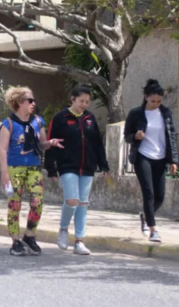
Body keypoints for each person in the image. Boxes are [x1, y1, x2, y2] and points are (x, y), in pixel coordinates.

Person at [0, 87, 64, 256]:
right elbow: (3, 150)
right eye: (30, 100)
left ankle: (29, 235)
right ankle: (15, 241)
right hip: (15, 169)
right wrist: (4, 173)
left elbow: (41, 144)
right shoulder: (8, 123)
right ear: (20, 102)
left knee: (37, 203)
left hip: (34, 168)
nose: (33, 103)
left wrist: (50, 142)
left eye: (33, 100)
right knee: (15, 205)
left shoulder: (38, 121)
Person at [45, 86, 109, 256]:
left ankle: (79, 241)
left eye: (87, 102)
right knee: (72, 199)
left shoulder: (90, 118)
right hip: (67, 165)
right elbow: (51, 143)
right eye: (81, 101)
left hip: (88, 166)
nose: (84, 104)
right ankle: (64, 228)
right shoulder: (60, 118)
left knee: (83, 203)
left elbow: (97, 143)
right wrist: (51, 168)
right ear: (72, 99)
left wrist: (104, 165)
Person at [124, 79, 179, 243]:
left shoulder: (166, 113)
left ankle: (146, 215)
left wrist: (173, 160)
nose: (156, 104)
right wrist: (135, 136)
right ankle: (153, 230)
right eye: (153, 100)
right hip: (143, 157)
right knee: (149, 193)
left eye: (159, 101)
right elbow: (126, 136)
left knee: (160, 196)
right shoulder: (136, 114)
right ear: (145, 97)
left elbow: (172, 138)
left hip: (161, 158)